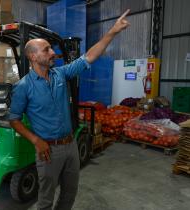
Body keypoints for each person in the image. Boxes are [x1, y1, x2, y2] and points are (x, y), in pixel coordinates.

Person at [9, 10, 131, 210]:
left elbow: (88, 57)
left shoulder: (60, 74)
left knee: (69, 194)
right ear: (32, 56)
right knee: (45, 200)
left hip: (70, 144)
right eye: (47, 50)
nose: (53, 53)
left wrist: (113, 32)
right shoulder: (23, 87)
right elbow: (14, 119)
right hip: (47, 150)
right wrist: (36, 141)